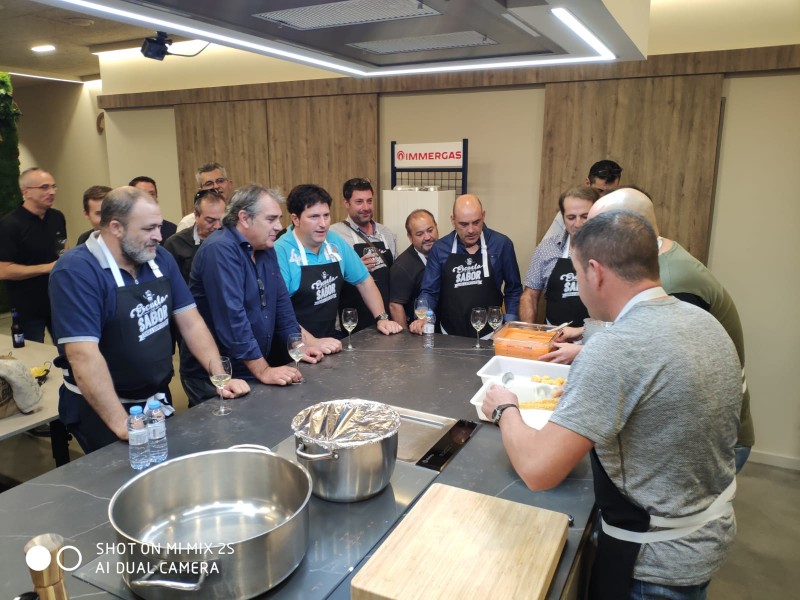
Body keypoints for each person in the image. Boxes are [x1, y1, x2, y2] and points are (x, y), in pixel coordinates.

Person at [482, 210, 742, 600]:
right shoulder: (703, 321)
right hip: (704, 537)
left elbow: (538, 470)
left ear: (595, 272)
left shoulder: (614, 349)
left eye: (576, 274)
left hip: (651, 564)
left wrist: (505, 408)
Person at [549, 187, 754, 472]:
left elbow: (662, 360)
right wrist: (585, 337)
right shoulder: (656, 259)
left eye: (598, 228)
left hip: (708, 442)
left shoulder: (672, 281)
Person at [48, 186, 249, 452]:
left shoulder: (160, 258)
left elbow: (191, 322)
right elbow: (82, 355)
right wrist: (121, 423)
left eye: (159, 226)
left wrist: (221, 377)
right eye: (149, 228)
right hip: (103, 408)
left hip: (154, 399)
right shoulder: (76, 271)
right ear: (116, 227)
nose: (159, 236)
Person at [181, 185, 334, 406]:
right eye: (271, 219)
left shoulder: (265, 247)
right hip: (219, 374)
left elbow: (281, 303)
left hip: (251, 363)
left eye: (279, 219)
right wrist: (263, 370)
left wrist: (298, 346)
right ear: (244, 218)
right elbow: (232, 319)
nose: (279, 226)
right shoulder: (220, 250)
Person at [275, 183, 402, 340]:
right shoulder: (281, 251)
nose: (323, 224)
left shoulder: (334, 241)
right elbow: (280, 312)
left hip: (329, 338)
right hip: (293, 343)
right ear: (295, 219)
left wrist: (382, 318)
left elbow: (364, 282)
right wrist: (312, 343)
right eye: (314, 217)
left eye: (326, 215)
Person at [410, 194, 521, 337]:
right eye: (463, 224)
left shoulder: (501, 244)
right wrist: (422, 317)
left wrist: (510, 324)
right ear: (453, 221)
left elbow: (513, 289)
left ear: (483, 216)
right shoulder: (440, 248)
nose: (471, 230)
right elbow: (429, 291)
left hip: (490, 334)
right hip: (449, 335)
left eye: (476, 222)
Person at [0, 167, 66, 342]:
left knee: (67, 349)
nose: (51, 192)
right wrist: (47, 268)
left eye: (53, 186)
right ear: (26, 192)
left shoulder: (57, 217)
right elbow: (4, 270)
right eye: (44, 187)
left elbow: (62, 248)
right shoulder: (9, 225)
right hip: (27, 307)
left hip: (58, 301)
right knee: (34, 353)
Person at [519, 186, 599, 326]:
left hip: (596, 337)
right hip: (554, 335)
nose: (578, 224)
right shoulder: (546, 248)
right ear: (563, 218)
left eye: (585, 217)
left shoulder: (611, 250)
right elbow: (529, 295)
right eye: (571, 217)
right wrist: (527, 330)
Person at [329, 178, 397, 332]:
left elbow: (395, 273)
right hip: (351, 319)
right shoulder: (334, 235)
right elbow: (329, 279)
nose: (366, 207)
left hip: (385, 317)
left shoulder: (386, 233)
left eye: (369, 201)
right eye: (359, 202)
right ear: (346, 203)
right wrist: (353, 269)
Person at [541, 160, 622, 241]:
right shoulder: (570, 211)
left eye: (610, 192)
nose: (604, 197)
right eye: (600, 191)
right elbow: (547, 244)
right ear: (588, 183)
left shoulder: (621, 216)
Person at [388, 209, 439, 328]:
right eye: (420, 234)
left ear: (436, 227)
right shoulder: (402, 266)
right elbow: (395, 306)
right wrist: (405, 337)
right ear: (410, 237)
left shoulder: (444, 253)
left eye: (430, 230)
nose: (427, 237)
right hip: (418, 331)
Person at [163, 189, 225, 284]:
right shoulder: (175, 244)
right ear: (196, 215)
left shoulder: (232, 239)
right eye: (210, 220)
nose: (217, 226)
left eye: (221, 220)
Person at [176, 162, 234, 232]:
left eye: (220, 181)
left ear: (230, 185)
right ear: (201, 191)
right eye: (209, 183)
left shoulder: (240, 218)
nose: (216, 186)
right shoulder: (188, 223)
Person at [129, 176, 177, 242]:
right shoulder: (124, 229)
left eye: (152, 194)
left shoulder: (171, 230)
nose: (148, 197)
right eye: (142, 193)